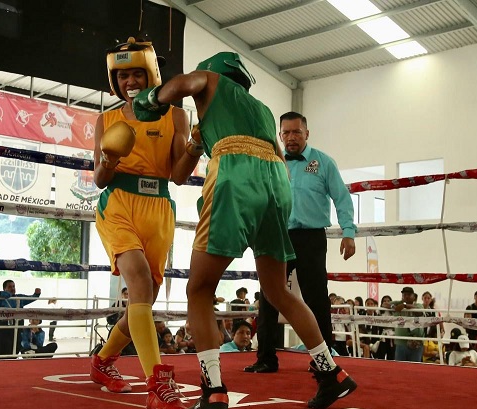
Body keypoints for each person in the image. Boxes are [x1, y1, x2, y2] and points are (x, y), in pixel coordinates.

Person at [133, 51, 357, 409]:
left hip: (235, 176)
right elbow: (179, 174)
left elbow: (183, 84)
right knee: (278, 291)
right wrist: (195, 140)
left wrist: (150, 99)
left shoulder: (211, 81)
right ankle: (332, 374)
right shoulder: (261, 111)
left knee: (199, 289)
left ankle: (214, 389)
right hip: (278, 186)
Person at [89, 37, 199, 409]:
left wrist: (196, 145)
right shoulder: (107, 119)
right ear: (115, 81)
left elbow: (179, 175)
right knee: (136, 281)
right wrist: (109, 159)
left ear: (151, 75)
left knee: (144, 300)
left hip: (159, 207)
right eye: (123, 76)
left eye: (137, 74)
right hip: (118, 203)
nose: (130, 82)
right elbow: (100, 179)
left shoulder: (175, 116)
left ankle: (103, 361)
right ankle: (158, 384)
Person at [247, 111, 357, 373]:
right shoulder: (270, 162)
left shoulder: (323, 162)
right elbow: (258, 197)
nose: (291, 137)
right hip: (277, 235)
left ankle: (323, 361)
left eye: (296, 132)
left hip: (311, 237)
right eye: (286, 132)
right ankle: (266, 358)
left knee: (316, 297)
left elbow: (342, 198)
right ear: (280, 135)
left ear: (307, 133)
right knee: (269, 296)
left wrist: (348, 232)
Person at [0, 280, 41, 357]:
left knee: (17, 347)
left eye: (13, 286)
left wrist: (37, 294)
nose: (12, 288)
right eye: (10, 287)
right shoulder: (0, 299)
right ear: (4, 289)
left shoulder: (19, 297)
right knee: (6, 348)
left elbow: (32, 298)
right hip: (5, 328)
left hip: (18, 327)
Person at [390, 287, 426, 362]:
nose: (406, 296)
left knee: (414, 367)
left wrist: (405, 306)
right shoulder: (398, 304)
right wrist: (393, 307)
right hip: (401, 343)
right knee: (399, 367)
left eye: (409, 294)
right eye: (404, 294)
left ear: (414, 296)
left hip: (416, 343)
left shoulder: (419, 305)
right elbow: (384, 304)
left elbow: (420, 312)